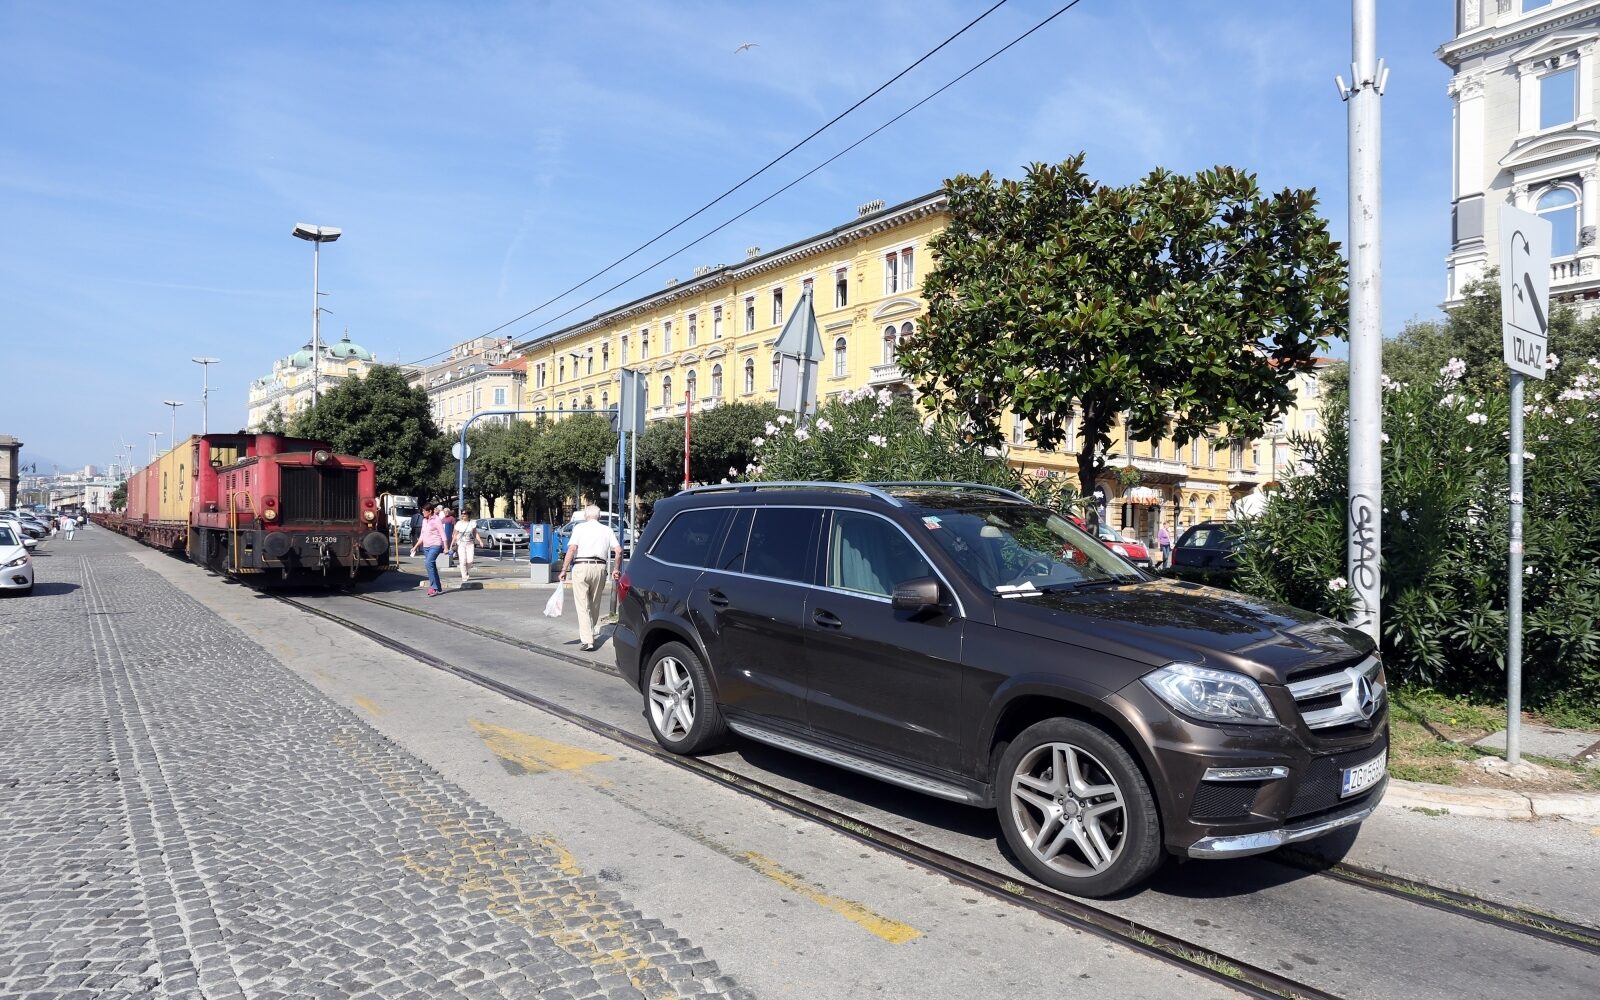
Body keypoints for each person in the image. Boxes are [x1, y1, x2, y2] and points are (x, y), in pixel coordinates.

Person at [556, 505, 622, 651]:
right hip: (600, 568)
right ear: (599, 516)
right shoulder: (607, 530)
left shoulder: (579, 528)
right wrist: (616, 569)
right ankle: (590, 632)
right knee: (594, 604)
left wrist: (564, 569)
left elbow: (572, 549)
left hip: (581, 566)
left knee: (582, 605)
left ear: (586, 516)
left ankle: (587, 640)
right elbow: (618, 550)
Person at [409, 503, 445, 596]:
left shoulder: (436, 519)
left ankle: (433, 587)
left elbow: (442, 533)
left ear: (430, 511)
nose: (423, 512)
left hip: (435, 545)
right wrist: (415, 547)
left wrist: (446, 547)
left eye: (424, 511)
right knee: (431, 565)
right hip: (426, 546)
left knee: (428, 563)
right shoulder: (424, 520)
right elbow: (422, 535)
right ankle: (438, 587)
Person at [454, 506, 478, 583]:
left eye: (464, 514)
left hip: (470, 544)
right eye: (462, 513)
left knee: (470, 561)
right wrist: (452, 543)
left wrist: (480, 541)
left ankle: (466, 571)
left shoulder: (472, 523)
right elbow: (455, 534)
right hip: (461, 543)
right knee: (462, 560)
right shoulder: (458, 523)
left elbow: (475, 533)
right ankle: (464, 576)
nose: (463, 515)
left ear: (468, 515)